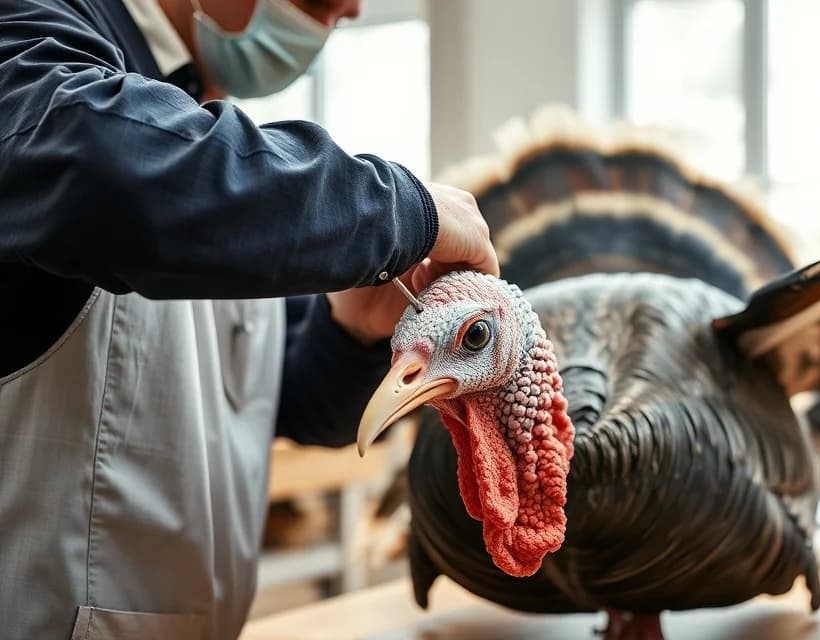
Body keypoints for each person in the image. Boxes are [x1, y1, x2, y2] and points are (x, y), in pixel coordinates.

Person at [0, 0, 499, 637]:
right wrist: (397, 210)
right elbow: (104, 174)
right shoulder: (28, 34)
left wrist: (354, 333)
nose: (351, 8)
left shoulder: (220, 153)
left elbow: (283, 399)